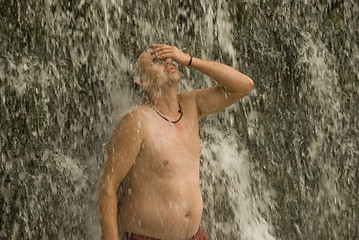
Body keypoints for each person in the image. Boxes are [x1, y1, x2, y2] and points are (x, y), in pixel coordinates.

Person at [98, 44, 254, 240]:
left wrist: (188, 59)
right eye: (157, 60)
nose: (168, 62)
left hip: (194, 236)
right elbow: (107, 188)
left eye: (168, 57)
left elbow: (244, 85)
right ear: (142, 80)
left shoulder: (191, 105)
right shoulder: (136, 122)